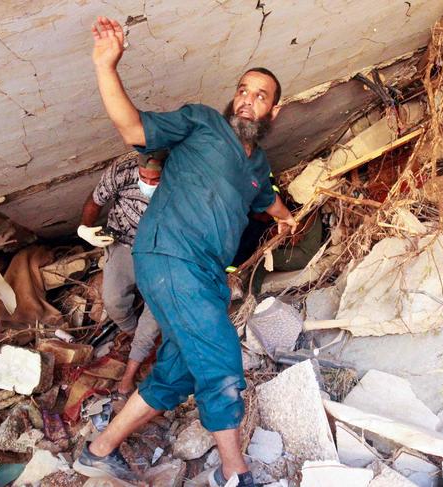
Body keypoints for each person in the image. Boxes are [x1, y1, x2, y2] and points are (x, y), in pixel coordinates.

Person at [73, 16, 297, 487]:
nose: (247, 99)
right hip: (171, 255)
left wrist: (287, 217)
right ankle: (236, 475)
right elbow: (133, 128)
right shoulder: (202, 123)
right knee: (219, 363)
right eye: (243, 89)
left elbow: (266, 198)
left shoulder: (258, 165)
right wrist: (105, 66)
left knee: (176, 374)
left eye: (260, 96)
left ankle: (98, 451)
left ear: (274, 112)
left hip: (208, 276)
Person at [77, 151, 166, 394]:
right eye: (144, 178)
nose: (148, 185)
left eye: (155, 181)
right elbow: (94, 201)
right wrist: (85, 229)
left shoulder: (180, 177)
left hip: (161, 249)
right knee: (114, 301)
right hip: (124, 241)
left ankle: (131, 371)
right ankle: (134, 336)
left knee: (155, 311)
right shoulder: (121, 171)